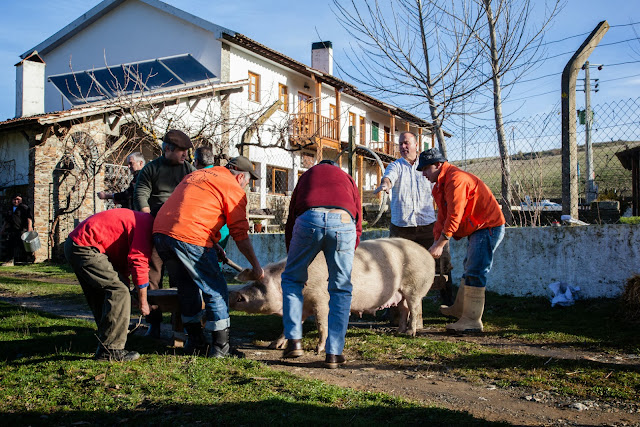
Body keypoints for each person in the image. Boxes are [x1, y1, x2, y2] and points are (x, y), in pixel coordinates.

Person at [152, 155, 264, 357]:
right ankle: (221, 348)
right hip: (190, 236)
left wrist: (212, 244)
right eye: (248, 181)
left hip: (162, 234)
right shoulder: (232, 188)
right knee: (216, 290)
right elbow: (240, 233)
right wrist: (256, 266)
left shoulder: (199, 174)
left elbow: (191, 209)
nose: (247, 186)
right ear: (240, 178)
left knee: (187, 288)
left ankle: (195, 342)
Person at [280, 159, 362, 369]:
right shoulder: (347, 178)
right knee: (341, 288)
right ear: (336, 167)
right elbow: (358, 221)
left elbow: (292, 218)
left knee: (291, 280)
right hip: (344, 222)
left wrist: (294, 260)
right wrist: (344, 259)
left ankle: (295, 341)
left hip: (309, 219)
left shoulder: (307, 175)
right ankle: (334, 352)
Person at [417, 148, 506, 333]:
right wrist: (436, 242)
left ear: (438, 165)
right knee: (470, 266)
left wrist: (441, 243)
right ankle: (460, 309)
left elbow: (454, 216)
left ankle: (472, 321)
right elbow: (442, 217)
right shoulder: (440, 185)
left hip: (488, 227)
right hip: (478, 228)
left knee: (476, 270)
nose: (423, 173)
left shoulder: (456, 180)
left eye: (425, 168)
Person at [373, 132, 454, 305]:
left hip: (428, 225)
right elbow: (389, 177)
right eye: (400, 143)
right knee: (395, 268)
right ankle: (394, 311)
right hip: (401, 227)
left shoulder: (427, 166)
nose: (403, 147)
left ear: (416, 145)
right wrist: (386, 184)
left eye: (406, 143)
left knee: (443, 264)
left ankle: (449, 305)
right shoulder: (395, 166)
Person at [64, 208, 153, 361]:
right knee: (119, 291)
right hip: (86, 246)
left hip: (75, 243)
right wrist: (143, 301)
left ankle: (108, 337)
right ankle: (110, 350)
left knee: (101, 293)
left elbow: (121, 265)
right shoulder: (147, 226)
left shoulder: (140, 220)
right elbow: (139, 262)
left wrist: (130, 288)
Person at [133, 130, 196, 337]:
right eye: (181, 151)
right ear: (167, 149)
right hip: (155, 226)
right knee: (153, 275)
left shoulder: (189, 169)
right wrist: (146, 218)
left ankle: (180, 323)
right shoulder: (151, 168)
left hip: (180, 228)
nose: (185, 155)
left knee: (181, 277)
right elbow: (141, 193)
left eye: (187, 151)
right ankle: (154, 323)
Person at [194, 146, 229, 249]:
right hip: (223, 229)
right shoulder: (222, 176)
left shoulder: (193, 179)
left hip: (204, 231)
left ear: (196, 161)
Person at [1, 194, 34, 265]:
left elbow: (29, 219)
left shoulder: (24, 208)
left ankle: (28, 260)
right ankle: (10, 260)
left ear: (21, 200)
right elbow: (6, 221)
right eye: (14, 200)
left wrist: (29, 229)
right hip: (12, 230)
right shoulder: (10, 209)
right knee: (10, 245)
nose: (16, 201)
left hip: (22, 229)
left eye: (18, 200)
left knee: (24, 245)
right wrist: (2, 230)